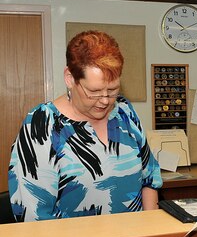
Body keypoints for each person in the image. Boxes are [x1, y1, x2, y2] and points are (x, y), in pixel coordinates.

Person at [8, 30, 162, 221]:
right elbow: (33, 217)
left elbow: (149, 180)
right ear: (70, 78)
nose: (105, 101)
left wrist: (151, 231)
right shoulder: (42, 125)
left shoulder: (124, 112)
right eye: (94, 91)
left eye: (112, 90)